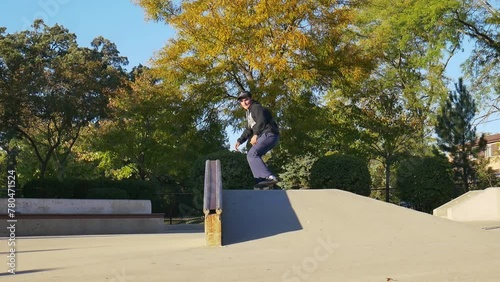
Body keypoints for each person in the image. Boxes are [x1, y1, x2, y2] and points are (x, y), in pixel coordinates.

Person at [234, 90, 280, 187]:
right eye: (242, 101)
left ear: (250, 99)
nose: (244, 102)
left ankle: (268, 177)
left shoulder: (256, 107)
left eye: (246, 99)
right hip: (268, 135)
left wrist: (256, 134)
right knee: (254, 155)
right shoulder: (249, 113)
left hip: (269, 134)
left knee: (252, 154)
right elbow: (248, 129)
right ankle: (261, 181)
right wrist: (240, 140)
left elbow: (261, 121)